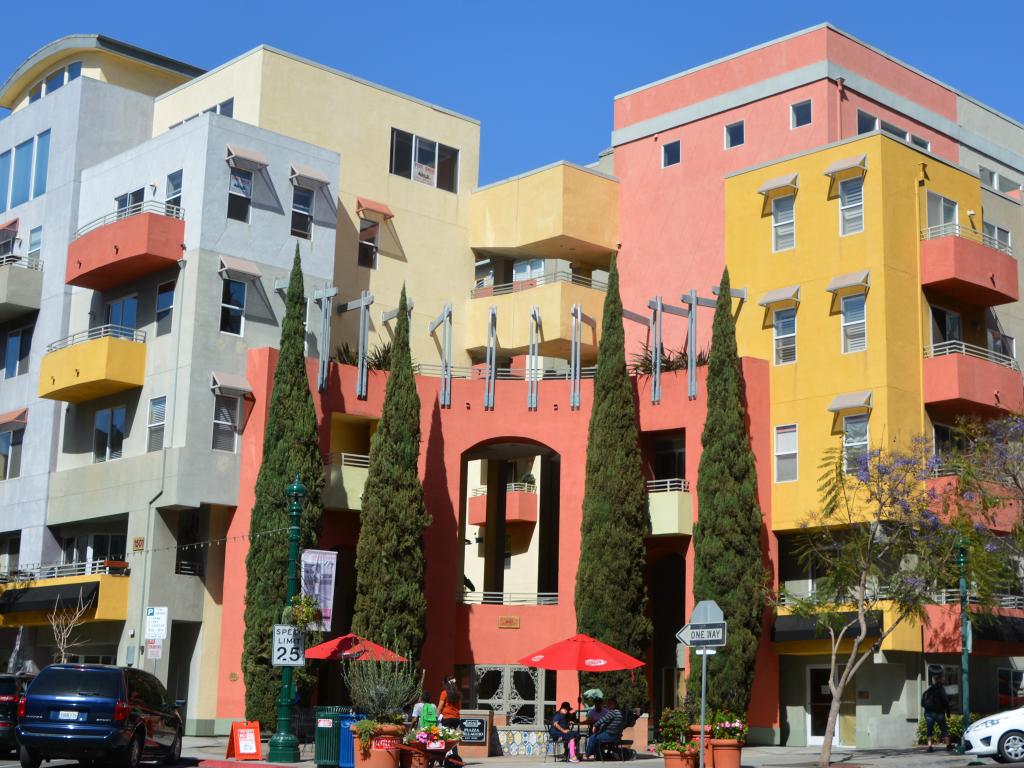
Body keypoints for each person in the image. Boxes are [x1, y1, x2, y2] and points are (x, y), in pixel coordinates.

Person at [922, 673, 952, 752]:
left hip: (928, 713)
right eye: (942, 679)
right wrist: (948, 712)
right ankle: (948, 745)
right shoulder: (941, 689)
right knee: (944, 728)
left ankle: (929, 746)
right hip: (939, 713)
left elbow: (922, 702)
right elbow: (946, 701)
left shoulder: (929, 690)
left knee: (929, 729)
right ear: (940, 680)